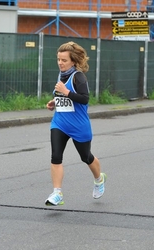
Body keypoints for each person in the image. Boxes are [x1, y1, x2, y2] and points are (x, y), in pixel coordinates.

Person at [44, 41, 107, 206]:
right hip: (60, 123)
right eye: (58, 59)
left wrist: (66, 92)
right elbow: (63, 98)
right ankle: (57, 193)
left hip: (79, 126)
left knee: (86, 157)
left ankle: (99, 179)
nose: (60, 63)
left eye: (64, 60)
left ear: (73, 61)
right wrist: (54, 102)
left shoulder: (78, 77)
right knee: (56, 156)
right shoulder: (61, 75)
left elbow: (84, 99)